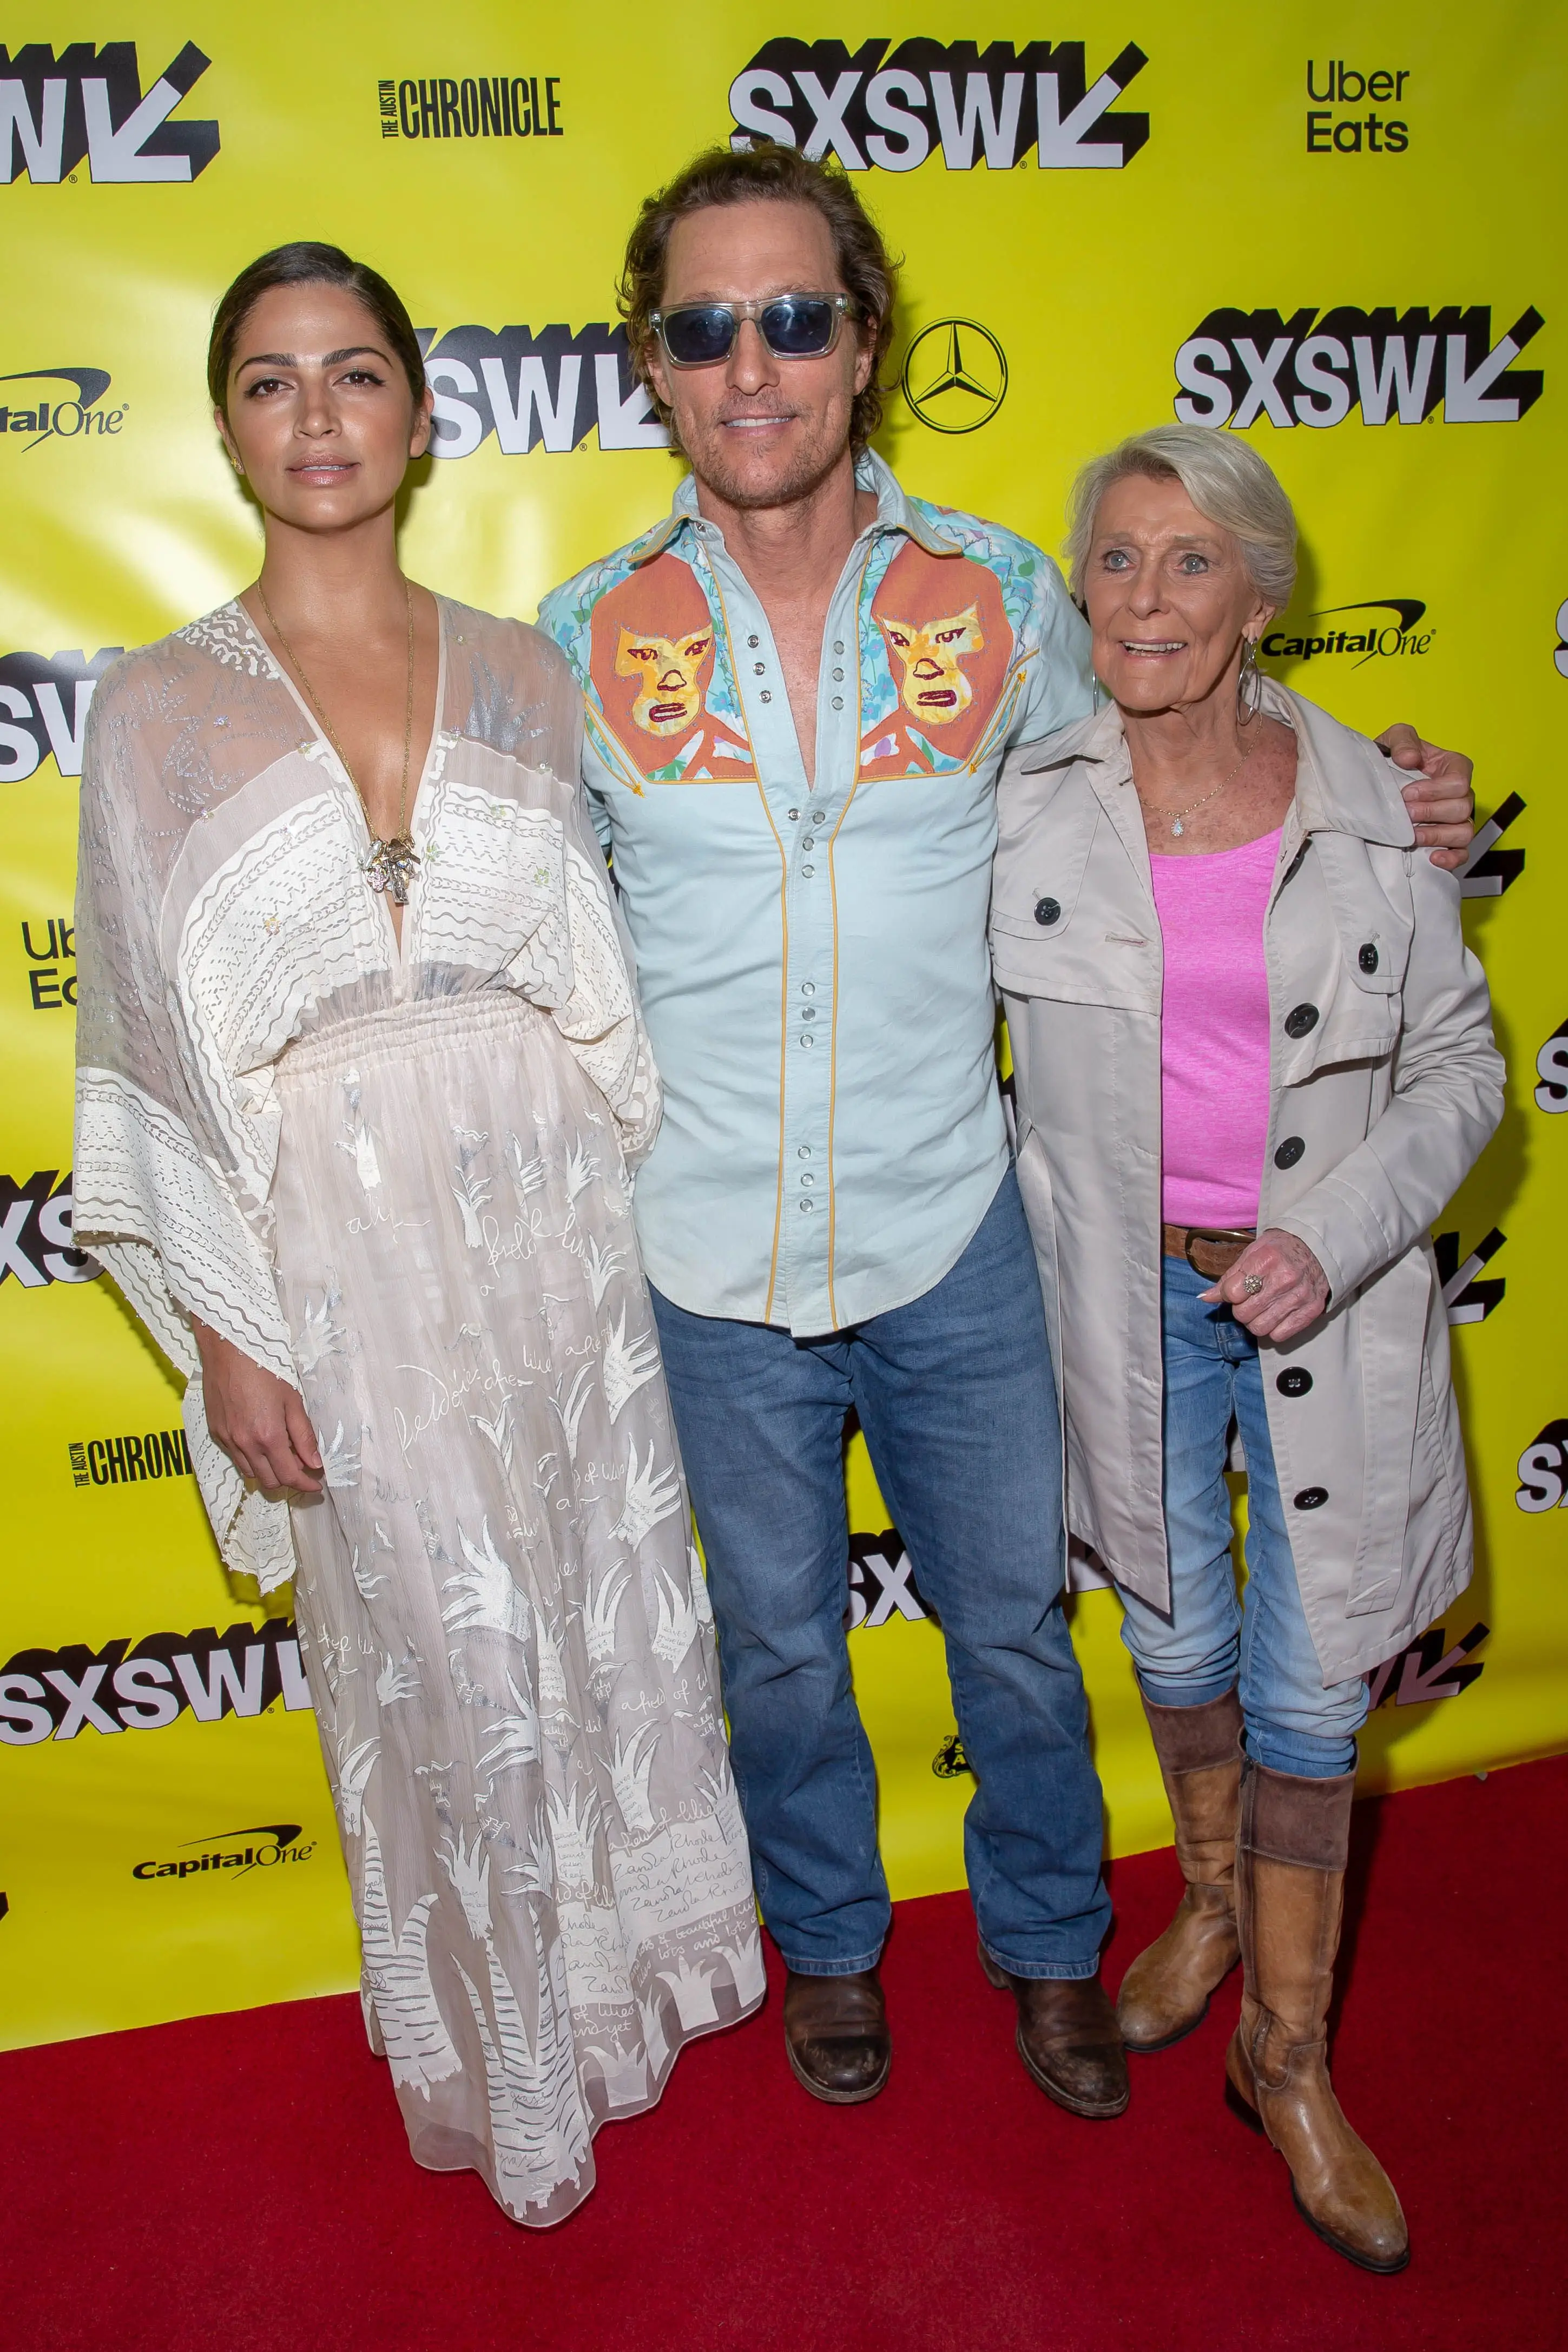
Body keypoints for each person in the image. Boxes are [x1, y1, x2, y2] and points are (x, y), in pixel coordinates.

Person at [537, 142, 1478, 2119]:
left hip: (960, 1231)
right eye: (706, 327)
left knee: (1019, 1645)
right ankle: (831, 1950)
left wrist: (1389, 797)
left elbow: (1182, 738)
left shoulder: (1004, 596)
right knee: (780, 1655)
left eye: (796, 316)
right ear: (653, 366)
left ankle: (1055, 1947)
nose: (755, 364)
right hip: (704, 1249)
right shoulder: (580, 643)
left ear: (863, 343)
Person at [71, 242, 763, 2229]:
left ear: (420, 415)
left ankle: (620, 1984)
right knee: (445, 1663)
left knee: (577, 1621)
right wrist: (227, 1327)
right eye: (273, 381)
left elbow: (610, 986)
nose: (318, 417)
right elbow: (147, 1050)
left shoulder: (533, 676)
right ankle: (506, 2061)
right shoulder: (154, 717)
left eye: (356, 373)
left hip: (550, 1225)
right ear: (222, 425)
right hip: (336, 1257)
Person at [992, 426, 1503, 2269]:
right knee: (1180, 1631)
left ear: (1261, 595)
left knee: (1308, 1690)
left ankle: (1286, 2063)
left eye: (1190, 562)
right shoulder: (1018, 801)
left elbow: (1460, 1070)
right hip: (1119, 1304)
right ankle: (1211, 1904)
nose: (1146, 598)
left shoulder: (1376, 805)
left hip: (1327, 1312)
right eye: (1116, 560)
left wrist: (1336, 1235)